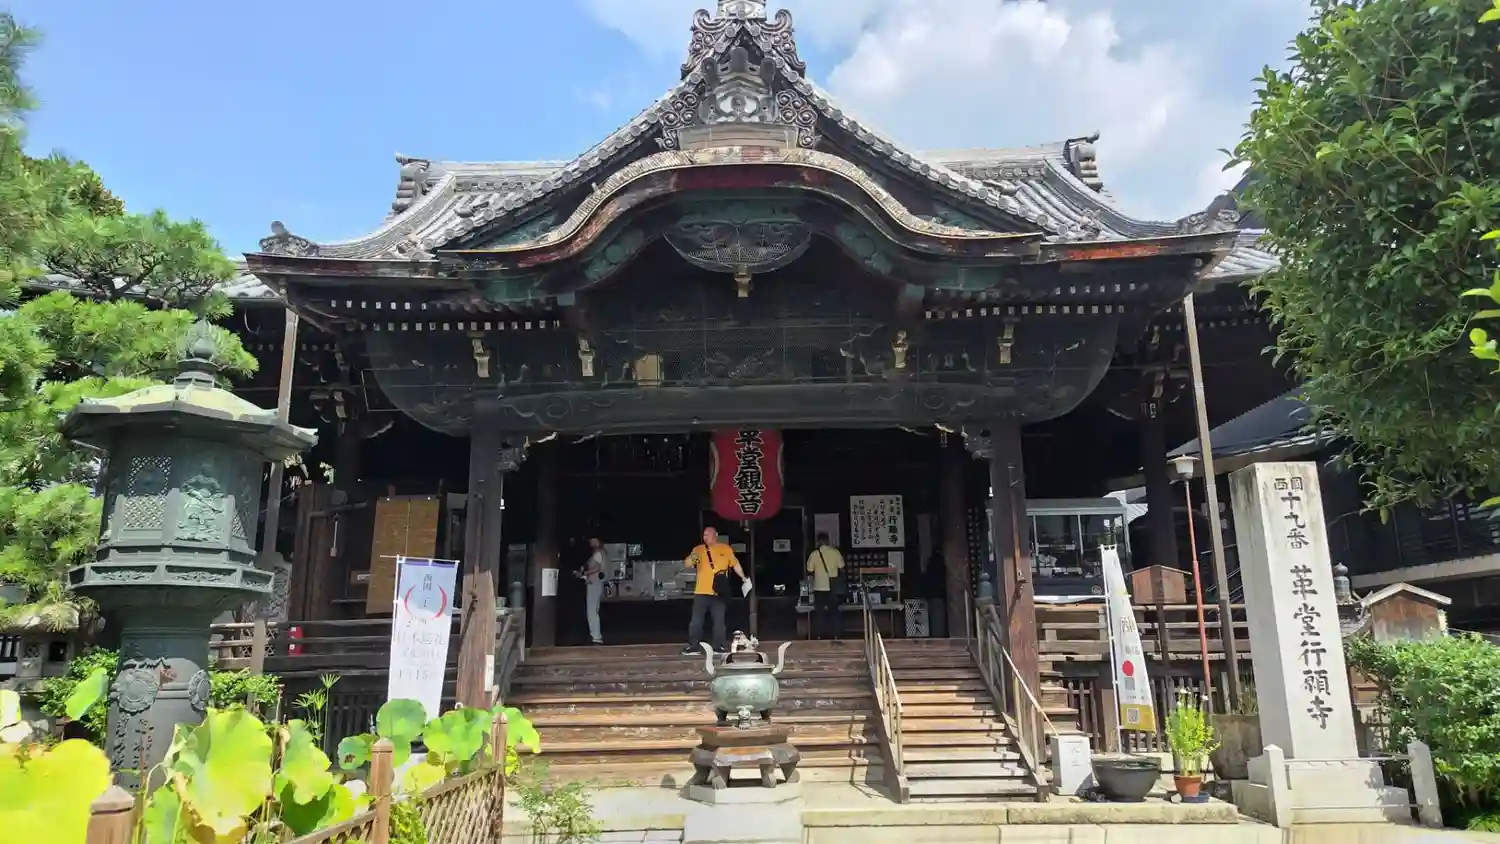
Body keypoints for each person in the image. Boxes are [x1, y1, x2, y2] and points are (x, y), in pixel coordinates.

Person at [680, 527, 748, 656]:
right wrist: (693, 558)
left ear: (715, 535)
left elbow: (735, 564)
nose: (705, 537)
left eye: (708, 534)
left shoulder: (725, 549)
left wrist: (743, 577)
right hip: (701, 591)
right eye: (704, 535)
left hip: (719, 592)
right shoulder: (698, 549)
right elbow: (687, 564)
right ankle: (693, 646)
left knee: (719, 621)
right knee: (696, 621)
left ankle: (718, 646)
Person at [806, 532, 845, 640]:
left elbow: (809, 570)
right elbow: (842, 568)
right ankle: (836, 634)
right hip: (833, 587)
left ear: (818, 541)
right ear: (827, 541)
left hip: (819, 587)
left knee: (819, 613)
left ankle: (818, 635)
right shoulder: (835, 552)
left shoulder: (814, 554)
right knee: (834, 612)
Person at [578, 537, 605, 645]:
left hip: (595, 583)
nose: (591, 542)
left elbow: (597, 568)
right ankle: (595, 634)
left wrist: (585, 573)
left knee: (592, 610)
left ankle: (596, 636)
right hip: (593, 583)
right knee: (592, 610)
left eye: (594, 541)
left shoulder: (598, 554)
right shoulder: (595, 555)